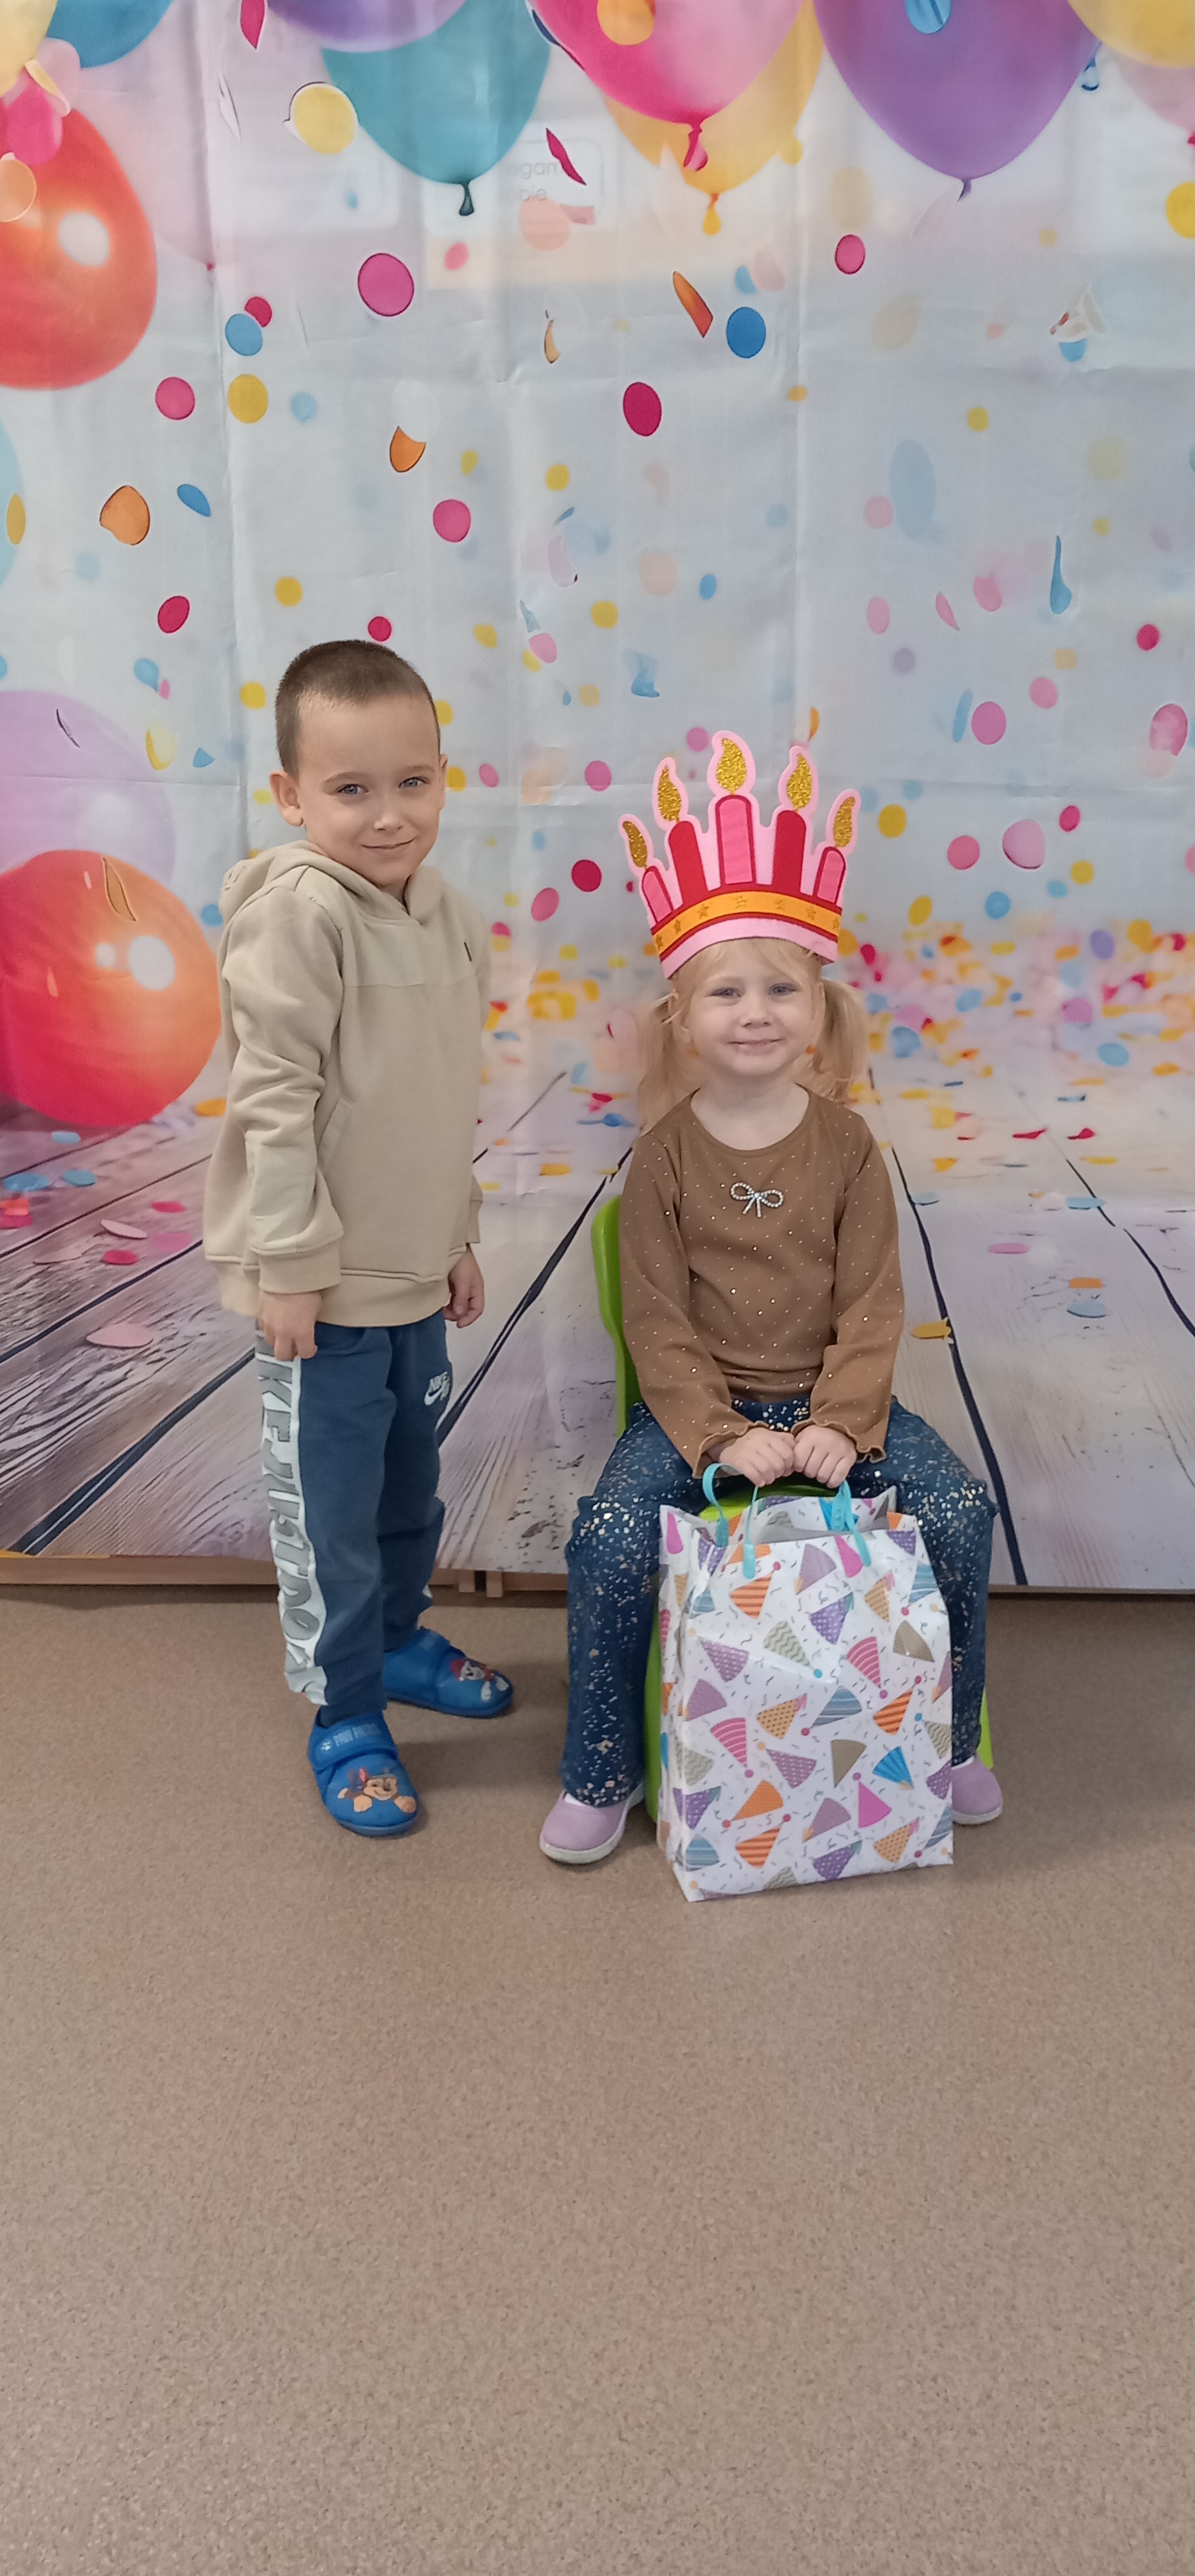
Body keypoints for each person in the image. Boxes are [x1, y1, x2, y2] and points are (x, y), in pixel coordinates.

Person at [540, 729, 1002, 1865]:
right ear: (684, 1016)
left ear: (818, 1008)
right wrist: (718, 1436)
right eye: (727, 992)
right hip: (702, 1415)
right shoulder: (663, 1159)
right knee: (608, 1537)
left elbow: (874, 1304)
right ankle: (600, 1768)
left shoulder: (847, 1150)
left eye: (781, 988)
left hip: (836, 1409)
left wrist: (842, 1421)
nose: (755, 1011)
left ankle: (947, 1742)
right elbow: (656, 1321)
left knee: (958, 1511)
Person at [204, 638, 511, 1837]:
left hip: (410, 1275)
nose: (390, 815)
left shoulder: (447, 917)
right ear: (292, 796)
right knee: (333, 1516)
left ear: (443, 777)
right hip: (320, 1292)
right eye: (351, 789)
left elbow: (435, 1102)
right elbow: (275, 1100)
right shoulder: (299, 918)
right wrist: (287, 1266)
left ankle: (395, 1640)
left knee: (407, 1490)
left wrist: (455, 1235)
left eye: (413, 782)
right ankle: (345, 1711)